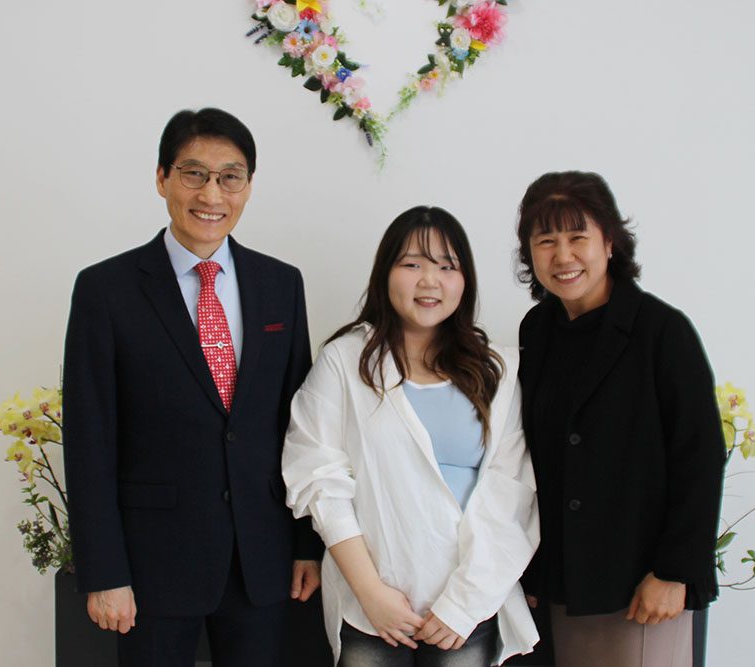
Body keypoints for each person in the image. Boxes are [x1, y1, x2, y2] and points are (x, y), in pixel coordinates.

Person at [62, 107, 322, 667]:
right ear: (162, 179)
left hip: (261, 557)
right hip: (152, 564)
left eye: (230, 177)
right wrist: (104, 572)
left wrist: (308, 544)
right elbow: (89, 441)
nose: (212, 194)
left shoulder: (281, 284)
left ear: (248, 186)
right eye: (193, 174)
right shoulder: (105, 290)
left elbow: (301, 425)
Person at [282, 206, 540, 666]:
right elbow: (317, 480)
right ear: (385, 273)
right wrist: (370, 592)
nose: (430, 281)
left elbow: (512, 493)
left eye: (447, 266)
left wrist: (463, 604)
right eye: (412, 264)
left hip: (468, 608)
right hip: (371, 608)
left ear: (465, 280)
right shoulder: (345, 361)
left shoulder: (496, 370)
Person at [515, 171, 726, 666]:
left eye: (577, 237)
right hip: (563, 583)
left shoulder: (661, 331)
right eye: (546, 241)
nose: (563, 256)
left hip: (642, 585)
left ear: (609, 241)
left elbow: (700, 455)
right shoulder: (537, 330)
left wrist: (674, 571)